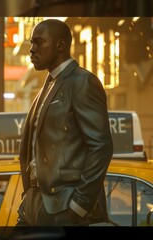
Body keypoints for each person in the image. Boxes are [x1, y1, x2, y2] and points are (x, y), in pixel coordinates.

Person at [16, 19, 114, 226]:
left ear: (60, 45)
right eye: (31, 43)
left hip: (63, 207)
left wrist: (79, 206)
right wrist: (28, 198)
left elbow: (101, 146)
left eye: (39, 42)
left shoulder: (82, 82)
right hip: (34, 205)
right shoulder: (47, 86)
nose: (32, 50)